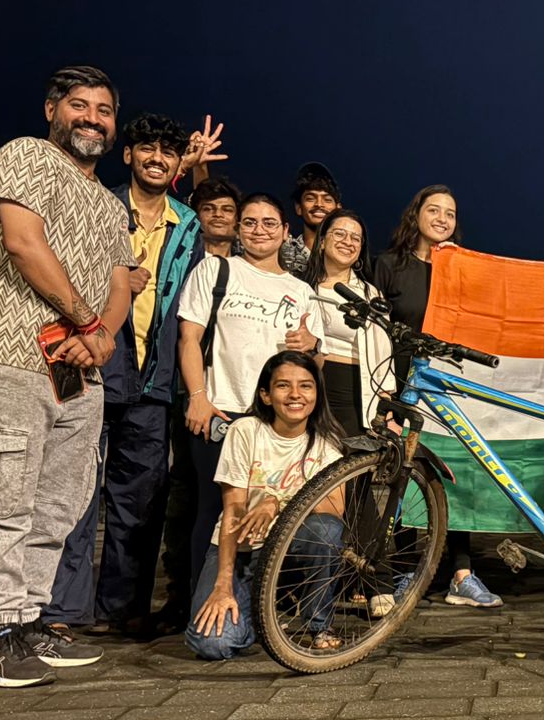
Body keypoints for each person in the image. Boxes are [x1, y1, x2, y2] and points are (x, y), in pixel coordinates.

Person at [0, 64, 136, 687]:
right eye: (79, 105)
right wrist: (88, 322)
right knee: (3, 496)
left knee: (58, 504)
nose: (92, 118)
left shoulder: (109, 203)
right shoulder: (25, 155)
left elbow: (120, 284)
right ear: (52, 110)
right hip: (11, 353)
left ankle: (28, 620)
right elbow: (23, 243)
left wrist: (100, 337)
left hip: (79, 373)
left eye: (104, 110)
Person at [47, 114, 203, 634]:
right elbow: (59, 272)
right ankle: (64, 609)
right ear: (129, 154)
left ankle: (120, 610)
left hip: (155, 381)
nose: (157, 158)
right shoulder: (98, 204)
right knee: (74, 495)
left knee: (140, 502)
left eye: (168, 151)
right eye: (148, 148)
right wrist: (114, 284)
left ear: (178, 164)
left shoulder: (189, 225)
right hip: (93, 369)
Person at [178, 192, 324, 582]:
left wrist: (312, 346)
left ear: (285, 231)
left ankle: (252, 599)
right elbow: (189, 338)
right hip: (222, 411)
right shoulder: (216, 270)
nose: (260, 230)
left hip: (275, 421)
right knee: (213, 512)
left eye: (269, 223)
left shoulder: (302, 291)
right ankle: (203, 599)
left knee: (270, 512)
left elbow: (315, 366)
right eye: (251, 222)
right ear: (239, 229)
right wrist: (198, 397)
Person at [373, 185, 502, 609]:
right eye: (434, 210)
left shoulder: (463, 271)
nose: (442, 218)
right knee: (406, 473)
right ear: (416, 215)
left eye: (450, 212)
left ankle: (461, 574)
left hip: (448, 387)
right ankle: (408, 568)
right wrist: (384, 393)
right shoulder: (389, 265)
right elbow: (376, 331)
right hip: (403, 384)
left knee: (455, 473)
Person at [187, 351, 346, 659]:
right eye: (283, 385)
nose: (296, 394)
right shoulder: (245, 431)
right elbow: (233, 510)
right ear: (266, 395)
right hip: (243, 551)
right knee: (212, 644)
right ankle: (259, 621)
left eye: (306, 386)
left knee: (326, 530)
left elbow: (333, 510)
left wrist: (276, 502)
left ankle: (318, 625)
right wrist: (223, 584)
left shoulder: (327, 445)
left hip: (291, 551)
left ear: (317, 394)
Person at [158, 174, 244, 631]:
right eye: (208, 208)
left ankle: (229, 592)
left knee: (224, 497)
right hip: (187, 393)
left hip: (232, 401)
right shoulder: (185, 256)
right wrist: (196, 395)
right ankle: (182, 594)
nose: (218, 216)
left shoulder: (245, 266)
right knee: (187, 496)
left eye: (227, 210)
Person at [303, 208, 394, 436]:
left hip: (352, 391)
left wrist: (387, 410)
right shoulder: (300, 287)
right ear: (322, 242)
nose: (348, 242)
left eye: (356, 238)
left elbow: (384, 356)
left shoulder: (370, 295)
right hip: (306, 385)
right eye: (339, 234)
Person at [279, 163, 340, 276]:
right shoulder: (281, 253)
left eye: (327, 200)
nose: (319, 204)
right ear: (298, 208)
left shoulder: (348, 254)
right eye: (310, 199)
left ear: (338, 209)